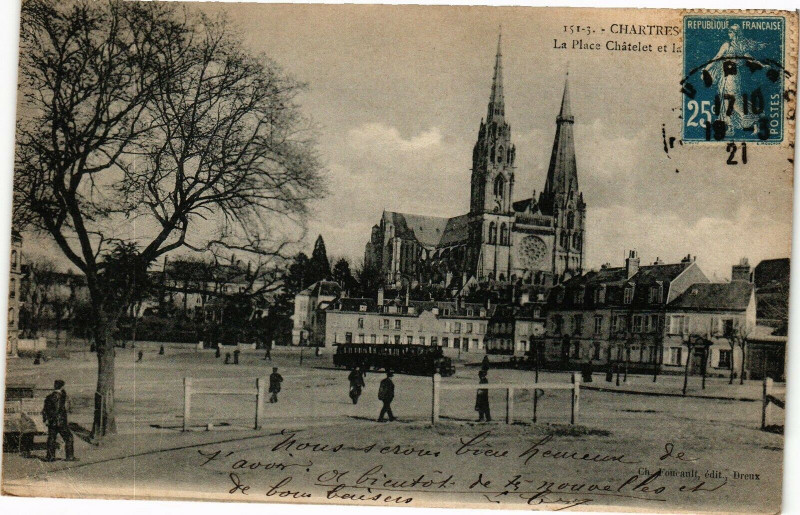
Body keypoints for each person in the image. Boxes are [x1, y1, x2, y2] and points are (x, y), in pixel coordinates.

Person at [42, 380, 76, 462]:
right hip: (60, 422)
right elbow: (59, 408)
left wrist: (46, 419)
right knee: (69, 438)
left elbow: (44, 410)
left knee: (51, 439)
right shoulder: (61, 397)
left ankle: (50, 457)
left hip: (51, 422)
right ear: (62, 387)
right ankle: (70, 456)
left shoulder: (49, 397)